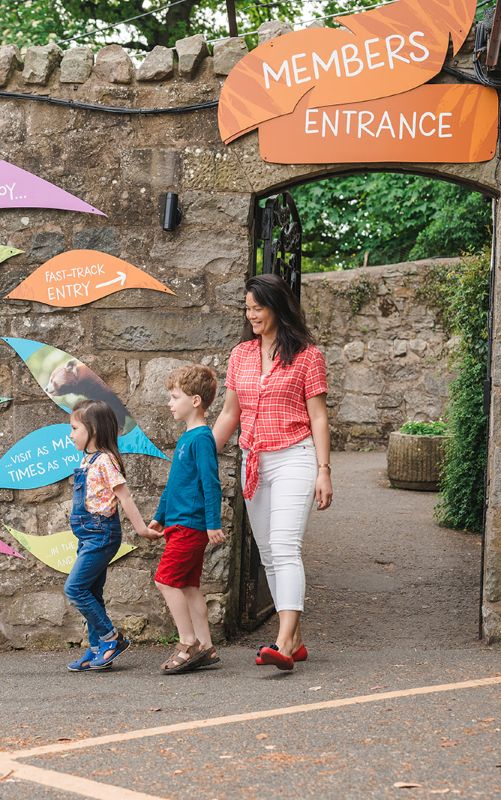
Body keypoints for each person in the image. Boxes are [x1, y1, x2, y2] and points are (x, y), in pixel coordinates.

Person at [212, 273, 333, 671]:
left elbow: (318, 418)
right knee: (268, 554)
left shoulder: (307, 355)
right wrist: (198, 454)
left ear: (277, 306)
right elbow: (231, 414)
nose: (251, 316)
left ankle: (282, 641)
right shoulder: (241, 355)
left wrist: (323, 469)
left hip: (295, 457)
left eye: (257, 308)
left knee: (284, 546)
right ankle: (295, 640)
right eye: (247, 309)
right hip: (254, 462)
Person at [64, 399, 157, 672]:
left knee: (75, 588)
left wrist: (140, 528)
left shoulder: (105, 460)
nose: (71, 435)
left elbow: (124, 496)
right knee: (92, 591)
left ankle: (110, 638)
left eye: (74, 428)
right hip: (88, 536)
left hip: (101, 535)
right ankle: (96, 649)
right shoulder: (88, 459)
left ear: (92, 429)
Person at [148, 364, 226, 674]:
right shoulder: (188, 438)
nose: (170, 403)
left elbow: (211, 482)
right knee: (190, 586)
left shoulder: (201, 439)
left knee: (164, 581)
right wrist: (158, 517)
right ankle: (205, 646)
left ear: (195, 401)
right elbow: (174, 485)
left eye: (174, 396)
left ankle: (187, 642)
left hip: (191, 526)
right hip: (179, 523)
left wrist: (212, 523)